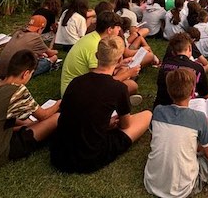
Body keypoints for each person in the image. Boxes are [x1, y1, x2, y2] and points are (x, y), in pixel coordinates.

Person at [51, 36, 151, 173]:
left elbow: (71, 114)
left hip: (59, 154)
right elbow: (125, 125)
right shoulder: (118, 88)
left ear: (97, 55)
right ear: (119, 59)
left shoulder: (76, 82)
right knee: (147, 115)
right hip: (88, 157)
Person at [144, 68, 208, 198]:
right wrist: (207, 129)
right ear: (193, 92)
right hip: (183, 188)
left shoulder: (158, 111)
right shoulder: (199, 118)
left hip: (152, 181)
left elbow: (156, 141)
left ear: (169, 91)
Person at [60, 11, 139, 96]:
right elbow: (99, 81)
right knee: (131, 85)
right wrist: (128, 74)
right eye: (118, 27)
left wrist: (119, 65)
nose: (119, 29)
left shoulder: (93, 37)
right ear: (109, 30)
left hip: (77, 85)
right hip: (77, 93)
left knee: (123, 69)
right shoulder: (96, 45)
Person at [153, 33, 208, 108]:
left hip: (161, 105)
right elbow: (205, 95)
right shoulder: (198, 68)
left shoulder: (164, 66)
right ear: (190, 48)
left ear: (172, 52)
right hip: (186, 105)